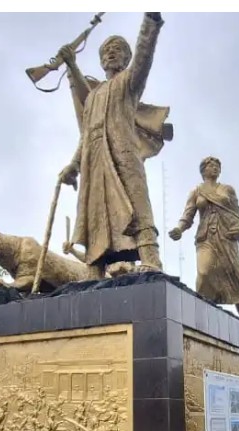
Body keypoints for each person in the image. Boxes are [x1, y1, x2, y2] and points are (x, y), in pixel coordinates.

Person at [56, 12, 171, 276]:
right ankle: (94, 269)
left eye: (117, 50)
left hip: (124, 154)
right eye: (106, 51)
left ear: (126, 58)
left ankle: (151, 258)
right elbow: (87, 133)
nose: (111, 53)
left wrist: (150, 23)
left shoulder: (129, 83)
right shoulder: (94, 96)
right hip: (95, 161)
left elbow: (144, 56)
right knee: (96, 214)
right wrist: (73, 165)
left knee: (137, 204)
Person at [169, 156, 239, 319]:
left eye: (218, 166)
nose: (215, 168)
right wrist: (179, 229)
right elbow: (188, 215)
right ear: (203, 170)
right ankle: (200, 314)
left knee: (235, 274)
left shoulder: (228, 189)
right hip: (206, 237)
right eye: (211, 165)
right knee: (205, 272)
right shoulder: (197, 191)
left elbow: (237, 214)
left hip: (227, 237)